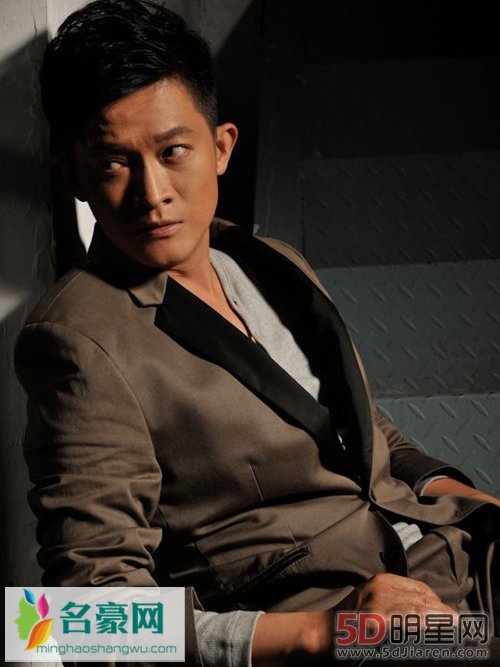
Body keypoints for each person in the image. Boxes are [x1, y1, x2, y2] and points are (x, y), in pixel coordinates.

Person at [14, 0, 500, 665]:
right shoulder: (76, 340)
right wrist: (321, 632)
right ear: (71, 175)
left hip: (451, 553)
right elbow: (77, 619)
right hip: (349, 624)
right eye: (114, 164)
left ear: (221, 148)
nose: (153, 192)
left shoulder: (270, 261)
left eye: (172, 151)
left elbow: (361, 432)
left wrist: (462, 496)